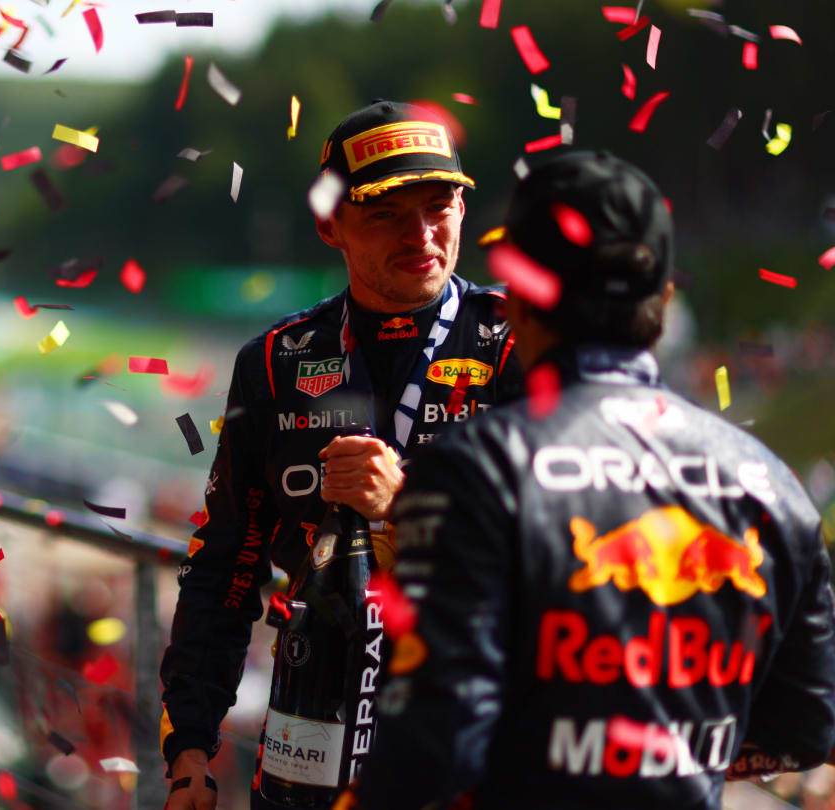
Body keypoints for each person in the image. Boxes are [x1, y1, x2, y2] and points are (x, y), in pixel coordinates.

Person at [353, 150, 835, 809]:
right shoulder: (773, 484)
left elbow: (430, 748)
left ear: (517, 299)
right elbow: (806, 730)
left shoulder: (474, 468)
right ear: (663, 299)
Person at [160, 100, 524, 810]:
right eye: (386, 212)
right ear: (331, 224)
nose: (421, 234)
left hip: (469, 742)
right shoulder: (274, 363)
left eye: (440, 204)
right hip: (309, 740)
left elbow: (566, 553)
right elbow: (225, 562)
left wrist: (410, 507)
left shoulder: (518, 341)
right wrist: (191, 746)